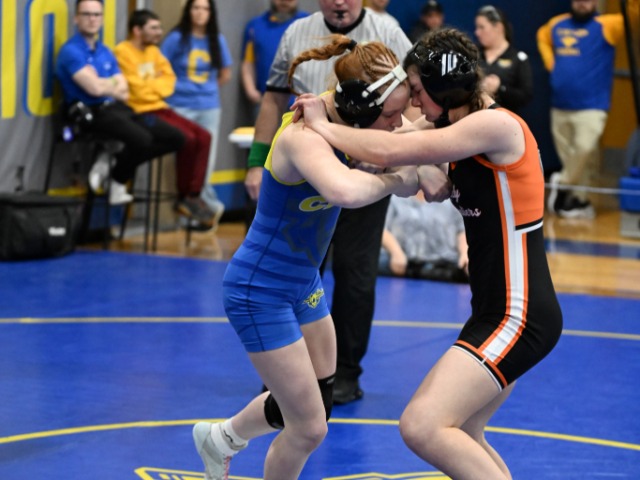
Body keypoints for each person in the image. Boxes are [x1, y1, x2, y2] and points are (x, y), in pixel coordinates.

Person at [293, 27, 563, 479]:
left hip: (518, 315)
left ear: (443, 86)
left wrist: (321, 125)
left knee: (421, 425)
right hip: (495, 311)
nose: (414, 103)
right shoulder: (456, 124)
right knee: (465, 431)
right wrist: (338, 109)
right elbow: (385, 139)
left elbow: (392, 146)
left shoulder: (495, 125)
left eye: (418, 90)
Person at [192, 36, 418, 480]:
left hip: (302, 284)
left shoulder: (347, 120)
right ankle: (227, 440)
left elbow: (414, 139)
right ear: (358, 108)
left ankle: (222, 438)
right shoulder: (302, 136)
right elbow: (345, 191)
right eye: (391, 116)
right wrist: (396, 178)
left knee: (316, 402)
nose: (397, 125)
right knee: (309, 427)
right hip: (260, 289)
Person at [245, 0, 416, 406]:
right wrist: (256, 161)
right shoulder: (296, 34)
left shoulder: (388, 31)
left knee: (356, 271)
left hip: (366, 167)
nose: (340, 2)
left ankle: (344, 372)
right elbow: (273, 98)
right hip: (312, 174)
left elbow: (407, 105)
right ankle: (289, 371)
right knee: (303, 272)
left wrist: (386, 155)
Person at [55, 0, 185, 205]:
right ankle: (118, 177)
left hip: (118, 108)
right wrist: (110, 83)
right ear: (76, 19)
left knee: (176, 137)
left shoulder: (105, 51)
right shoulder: (71, 51)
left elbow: (124, 91)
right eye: (86, 14)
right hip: (90, 113)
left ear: (102, 19)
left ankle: (113, 163)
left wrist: (103, 82)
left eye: (97, 15)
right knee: (142, 139)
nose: (92, 19)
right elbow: (94, 89)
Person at [114, 9, 216, 228]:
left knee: (204, 136)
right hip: (139, 111)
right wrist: (154, 86)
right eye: (153, 28)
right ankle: (183, 194)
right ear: (137, 30)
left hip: (160, 106)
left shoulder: (153, 52)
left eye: (159, 27)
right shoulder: (122, 52)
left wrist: (151, 87)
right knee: (187, 139)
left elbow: (169, 80)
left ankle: (193, 195)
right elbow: (135, 89)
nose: (159, 32)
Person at [537, 0, 624, 219]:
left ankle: (562, 182)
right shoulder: (557, 24)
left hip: (592, 105)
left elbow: (634, 16)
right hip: (560, 104)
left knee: (584, 149)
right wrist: (551, 63)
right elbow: (541, 36)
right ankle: (576, 201)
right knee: (577, 161)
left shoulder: (608, 25)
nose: (582, 3)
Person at [161, 0, 232, 226]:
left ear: (211, 13)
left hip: (209, 106)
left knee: (205, 162)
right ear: (188, 11)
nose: (200, 13)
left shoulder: (216, 39)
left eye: (205, 8)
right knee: (183, 158)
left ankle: (199, 210)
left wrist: (206, 90)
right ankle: (196, 210)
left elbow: (225, 73)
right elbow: (161, 68)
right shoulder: (176, 38)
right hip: (179, 105)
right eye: (196, 8)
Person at [240, 0, 309, 118]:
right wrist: (251, 91)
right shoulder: (255, 26)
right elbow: (248, 62)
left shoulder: (309, 23)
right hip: (266, 100)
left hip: (301, 101)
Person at [380, 193, 468, 283]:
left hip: (445, 263)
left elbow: (462, 230)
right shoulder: (395, 197)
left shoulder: (452, 200)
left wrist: (465, 254)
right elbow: (382, 228)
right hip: (405, 263)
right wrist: (396, 253)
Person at [475, 5, 533, 114]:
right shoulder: (474, 54)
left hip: (505, 119)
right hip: (475, 117)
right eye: (477, 27)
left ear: (498, 27)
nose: (477, 32)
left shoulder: (518, 58)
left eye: (482, 27)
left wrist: (500, 88)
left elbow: (525, 97)